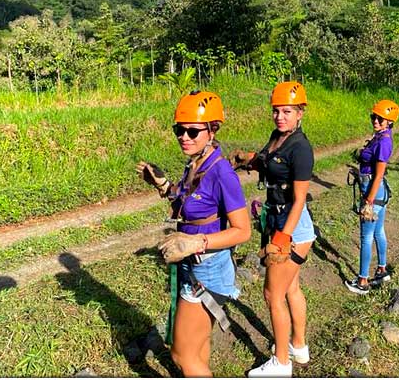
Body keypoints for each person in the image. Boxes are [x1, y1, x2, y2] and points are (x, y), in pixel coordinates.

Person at [136, 90, 251, 377]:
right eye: (179, 130)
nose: (184, 137)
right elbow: (189, 205)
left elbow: (243, 231)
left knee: (181, 354)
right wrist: (163, 186)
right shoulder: (196, 164)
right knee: (198, 348)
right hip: (195, 266)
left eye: (192, 131)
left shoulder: (222, 173)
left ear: (213, 130)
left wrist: (194, 242)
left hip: (208, 271)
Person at [236, 81, 317, 378]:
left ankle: (281, 363)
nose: (280, 116)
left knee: (272, 294)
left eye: (287, 111)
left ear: (300, 113)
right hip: (279, 222)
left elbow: (299, 201)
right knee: (291, 287)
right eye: (276, 111)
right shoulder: (277, 138)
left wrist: (283, 238)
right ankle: (298, 345)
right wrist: (250, 160)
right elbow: (267, 162)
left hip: (293, 227)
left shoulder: (301, 148)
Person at [344, 100, 399, 295]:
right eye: (373, 116)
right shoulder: (380, 136)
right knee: (378, 231)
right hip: (378, 190)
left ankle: (362, 280)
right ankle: (382, 270)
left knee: (366, 236)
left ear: (389, 121)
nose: (375, 120)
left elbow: (379, 174)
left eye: (380, 118)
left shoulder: (384, 142)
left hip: (372, 189)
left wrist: (368, 201)